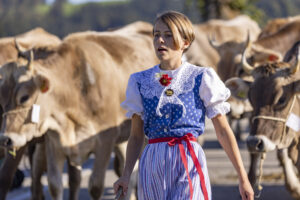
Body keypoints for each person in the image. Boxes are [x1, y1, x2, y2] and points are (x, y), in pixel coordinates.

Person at [113, 10, 254, 200]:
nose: (160, 41)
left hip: (188, 159)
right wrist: (126, 175)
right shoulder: (140, 81)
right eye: (156, 35)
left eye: (168, 35)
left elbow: (222, 131)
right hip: (152, 164)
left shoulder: (202, 77)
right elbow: (136, 136)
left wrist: (242, 177)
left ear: (185, 42)